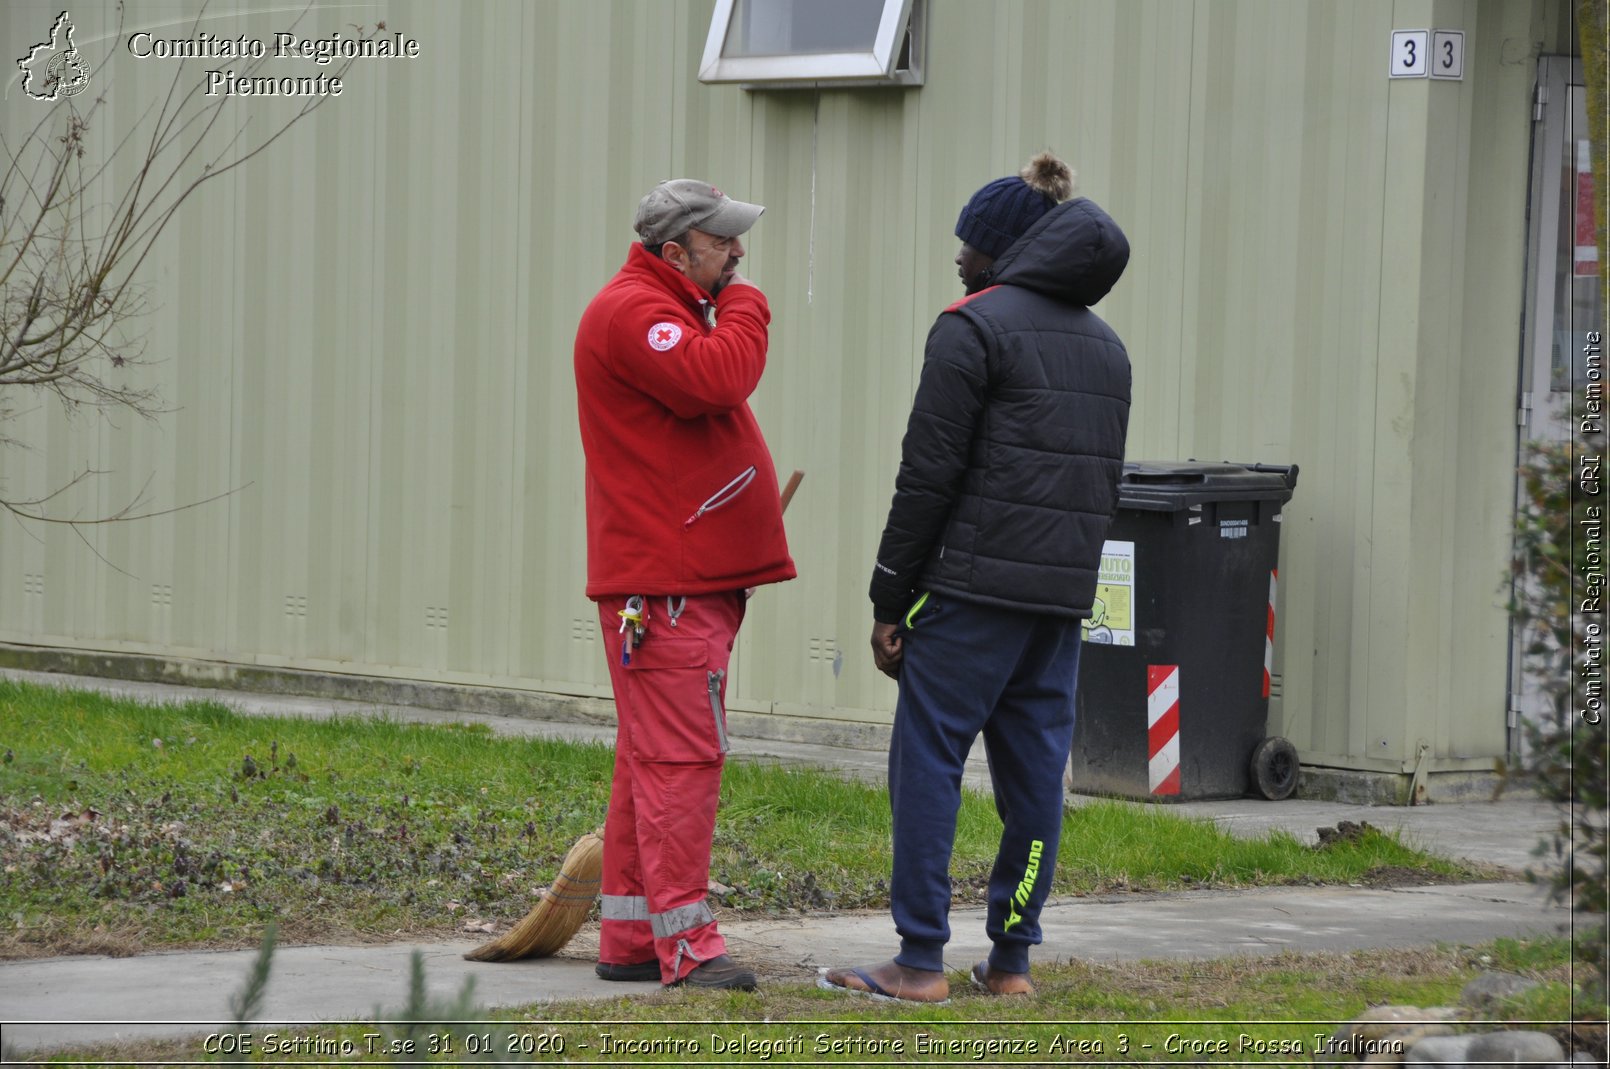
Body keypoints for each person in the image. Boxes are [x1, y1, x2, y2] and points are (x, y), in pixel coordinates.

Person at [822, 152, 1131, 1003]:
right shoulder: (1108, 349)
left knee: (927, 761)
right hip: (1057, 604)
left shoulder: (972, 326)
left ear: (1005, 250)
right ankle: (1012, 962)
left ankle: (919, 959)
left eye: (970, 242)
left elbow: (927, 476)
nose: (958, 254)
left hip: (968, 600)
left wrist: (891, 597)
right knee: (1036, 781)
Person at [573, 179, 796, 991]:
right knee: (681, 761)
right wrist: (748, 304)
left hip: (678, 582)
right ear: (677, 252)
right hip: (666, 587)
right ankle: (689, 946)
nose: (738, 253)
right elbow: (719, 377)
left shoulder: (655, 305)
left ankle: (632, 937)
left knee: (651, 759)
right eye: (723, 241)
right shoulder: (638, 312)